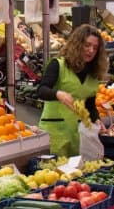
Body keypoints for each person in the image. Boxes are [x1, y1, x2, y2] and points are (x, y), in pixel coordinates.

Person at [36, 24, 107, 157]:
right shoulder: (58, 65)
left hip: (78, 135)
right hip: (55, 133)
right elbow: (41, 90)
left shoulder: (93, 74)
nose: (91, 51)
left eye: (95, 48)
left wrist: (96, 119)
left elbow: (90, 105)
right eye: (87, 45)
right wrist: (58, 94)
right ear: (77, 44)